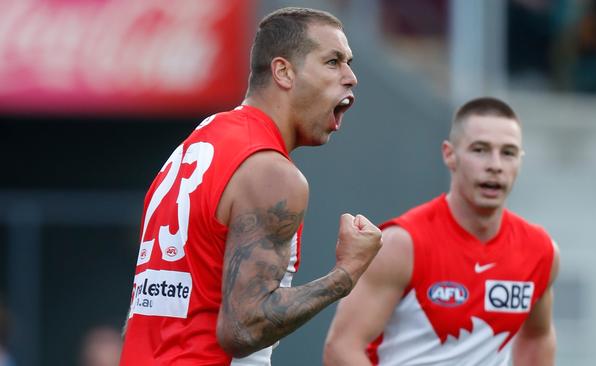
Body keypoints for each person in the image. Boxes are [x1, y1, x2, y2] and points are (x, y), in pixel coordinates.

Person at [119, 7, 382, 366]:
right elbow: (242, 329)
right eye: (333, 61)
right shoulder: (271, 172)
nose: (351, 77)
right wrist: (346, 274)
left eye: (348, 62)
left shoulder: (198, 142)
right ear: (284, 72)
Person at [324, 97, 560, 366]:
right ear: (450, 154)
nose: (495, 165)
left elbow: (537, 338)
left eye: (508, 152)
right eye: (480, 149)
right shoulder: (403, 244)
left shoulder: (540, 250)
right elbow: (342, 348)